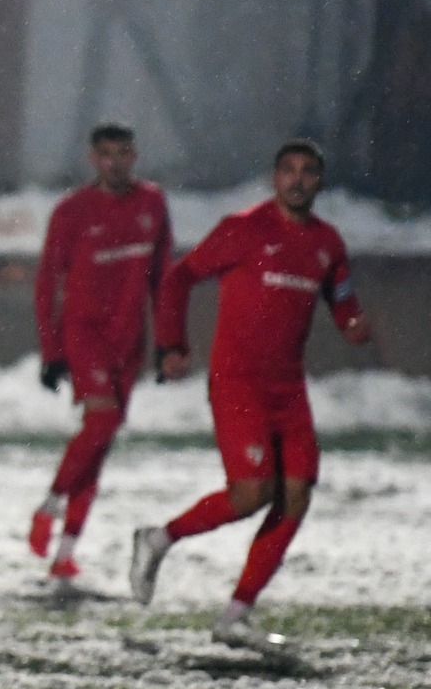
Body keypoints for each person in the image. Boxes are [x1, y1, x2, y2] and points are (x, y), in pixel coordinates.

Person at [129, 139, 373, 646]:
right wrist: (172, 344)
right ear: (274, 177)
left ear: (320, 181)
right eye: (289, 170)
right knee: (251, 494)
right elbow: (178, 278)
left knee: (296, 495)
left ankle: (236, 614)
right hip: (238, 383)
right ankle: (159, 538)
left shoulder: (327, 243)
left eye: (308, 171)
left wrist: (352, 323)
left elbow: (342, 297)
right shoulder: (242, 229)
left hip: (289, 389)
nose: (297, 180)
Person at [26, 123, 171, 581]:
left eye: (123, 153)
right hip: (85, 333)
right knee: (102, 421)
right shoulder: (72, 211)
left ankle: (65, 553)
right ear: (93, 159)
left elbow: (163, 277)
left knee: (99, 443)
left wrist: (168, 340)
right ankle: (49, 506)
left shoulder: (152, 203)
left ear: (134, 156)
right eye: (106, 154)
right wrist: (51, 350)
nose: (115, 163)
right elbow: (47, 282)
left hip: (130, 339)